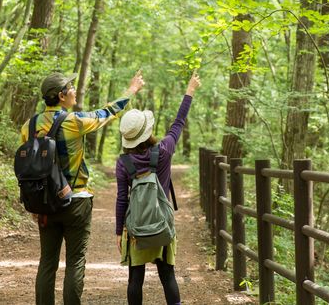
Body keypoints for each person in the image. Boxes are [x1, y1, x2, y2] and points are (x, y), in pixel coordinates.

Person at [21, 70, 144, 305]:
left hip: (44, 203)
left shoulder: (29, 125)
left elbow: (30, 167)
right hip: (76, 200)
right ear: (61, 95)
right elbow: (107, 112)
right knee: (75, 261)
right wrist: (132, 90)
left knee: (47, 262)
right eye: (71, 87)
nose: (75, 90)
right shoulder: (74, 122)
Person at [115, 71, 201, 305]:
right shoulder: (164, 150)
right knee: (167, 275)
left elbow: (122, 198)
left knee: (135, 279)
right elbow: (178, 122)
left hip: (137, 227)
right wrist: (189, 90)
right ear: (148, 131)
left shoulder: (124, 163)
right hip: (162, 222)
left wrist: (118, 231)